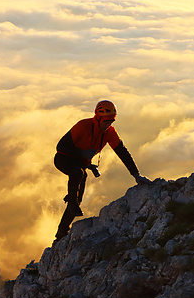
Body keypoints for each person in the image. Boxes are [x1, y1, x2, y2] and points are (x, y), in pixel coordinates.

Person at [53, 100, 150, 242]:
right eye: (106, 121)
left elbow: (122, 152)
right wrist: (82, 154)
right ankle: (71, 202)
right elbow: (61, 147)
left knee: (78, 197)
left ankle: (61, 232)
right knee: (77, 174)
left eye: (111, 121)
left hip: (80, 163)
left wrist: (136, 175)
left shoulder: (110, 132)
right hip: (63, 159)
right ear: (98, 118)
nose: (108, 125)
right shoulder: (83, 126)